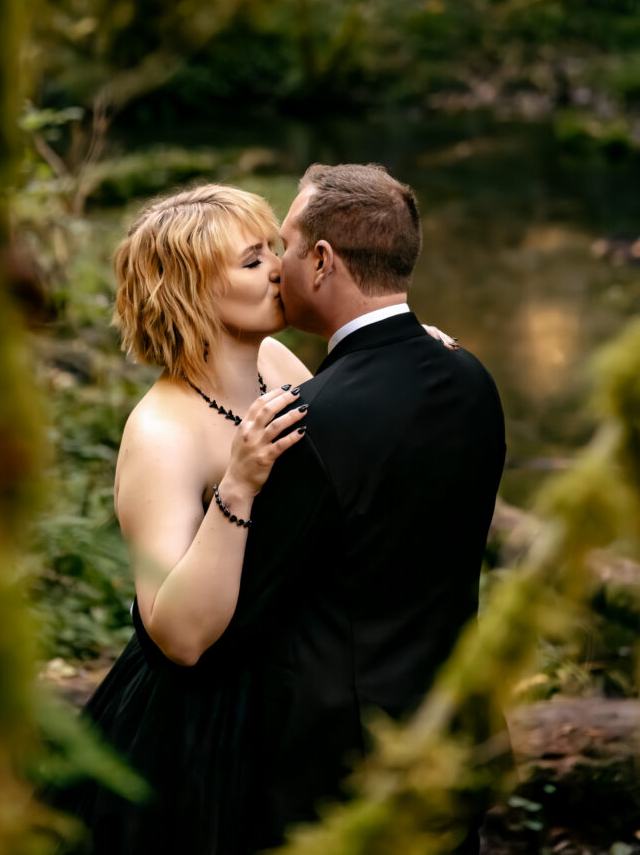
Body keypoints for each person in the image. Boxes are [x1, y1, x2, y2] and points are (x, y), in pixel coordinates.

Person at [43, 180, 459, 855]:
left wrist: (399, 358)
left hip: (293, 695)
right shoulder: (161, 433)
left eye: (273, 248)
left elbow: (340, 460)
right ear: (189, 293)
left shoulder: (275, 362)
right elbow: (179, 637)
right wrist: (236, 487)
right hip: (205, 728)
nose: (279, 266)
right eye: (252, 259)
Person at [217, 163, 506, 854]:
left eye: (285, 246)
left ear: (321, 261)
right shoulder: (470, 377)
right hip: (450, 734)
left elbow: (248, 606)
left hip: (339, 760)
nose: (277, 267)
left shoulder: (304, 425)